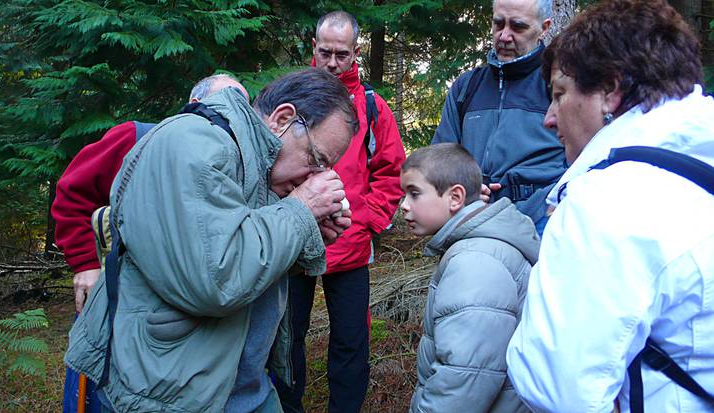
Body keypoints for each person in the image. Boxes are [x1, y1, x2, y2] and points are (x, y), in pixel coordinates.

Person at [64, 68, 359, 413]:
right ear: (282, 119)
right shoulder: (193, 143)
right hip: (170, 396)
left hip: (243, 389)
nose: (316, 177)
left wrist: (309, 237)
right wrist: (301, 211)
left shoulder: (259, 168)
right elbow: (215, 279)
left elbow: (249, 262)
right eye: (316, 160)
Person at [506, 1, 714, 412]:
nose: (550, 118)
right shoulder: (699, 167)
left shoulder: (608, 201)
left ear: (610, 92)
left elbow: (559, 391)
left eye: (560, 94)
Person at [53, 74, 249, 413]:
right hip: (114, 303)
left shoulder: (243, 167)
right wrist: (85, 263)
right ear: (194, 103)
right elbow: (72, 191)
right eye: (220, 106)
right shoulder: (137, 138)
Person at [273, 11, 406, 413]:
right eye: (325, 52)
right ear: (313, 47)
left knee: (351, 340)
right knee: (286, 338)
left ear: (356, 53)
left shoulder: (371, 106)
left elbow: (391, 169)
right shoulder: (289, 98)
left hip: (350, 247)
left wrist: (369, 221)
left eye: (342, 55)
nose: (333, 62)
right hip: (292, 242)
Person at [400, 143, 538, 413]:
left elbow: (464, 380)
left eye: (414, 194)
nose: (403, 206)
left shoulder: (475, 262)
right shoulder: (475, 249)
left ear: (455, 197)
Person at [432, 0, 566, 235]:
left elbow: (587, 158)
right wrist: (467, 189)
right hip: (474, 221)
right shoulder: (467, 87)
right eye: (498, 24)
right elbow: (440, 159)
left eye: (518, 27)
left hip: (543, 223)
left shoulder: (559, 85)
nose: (504, 36)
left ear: (544, 28)